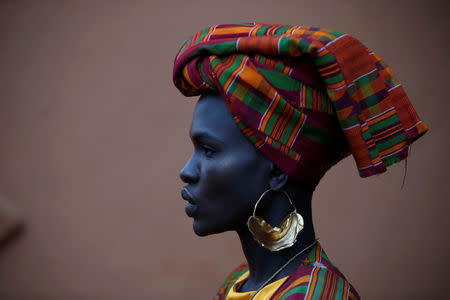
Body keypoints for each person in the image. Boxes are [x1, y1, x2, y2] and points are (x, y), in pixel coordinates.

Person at [173, 23, 427, 299]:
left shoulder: (318, 295)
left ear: (279, 168)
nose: (187, 171)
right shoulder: (236, 284)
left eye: (209, 150)